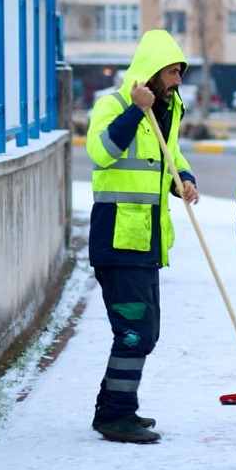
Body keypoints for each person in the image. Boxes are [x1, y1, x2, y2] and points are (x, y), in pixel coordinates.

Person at [86, 29, 200, 444]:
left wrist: (182, 179)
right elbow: (100, 153)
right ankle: (116, 417)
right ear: (151, 72)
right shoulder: (114, 104)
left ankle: (116, 408)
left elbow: (171, 155)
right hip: (117, 241)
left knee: (144, 330)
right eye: (172, 72)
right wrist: (135, 111)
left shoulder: (169, 109)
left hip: (147, 241)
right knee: (135, 332)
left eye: (179, 74)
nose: (177, 81)